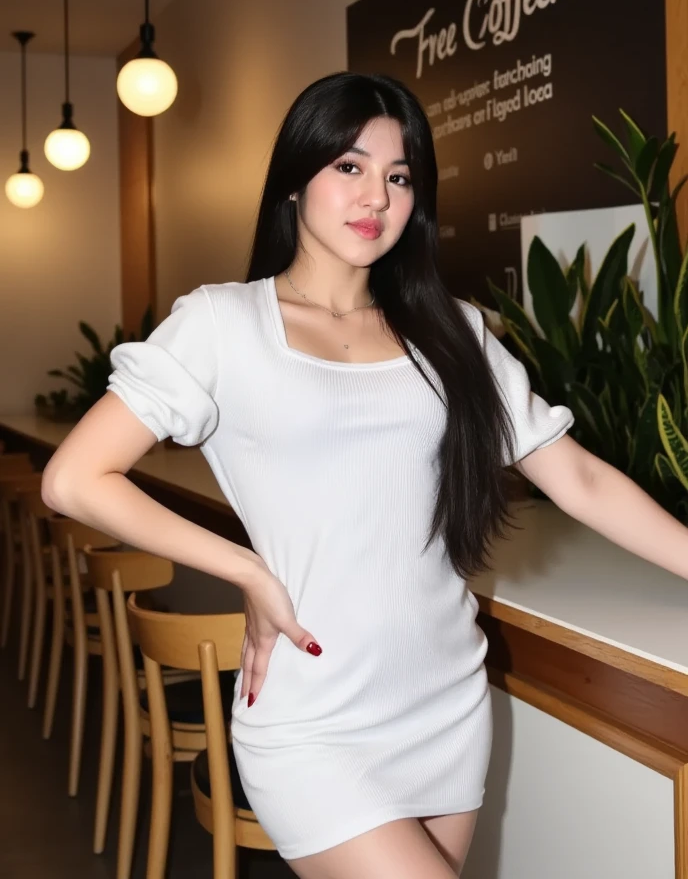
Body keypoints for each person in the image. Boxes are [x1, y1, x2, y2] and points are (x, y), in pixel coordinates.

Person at [42, 72, 688, 879]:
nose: (375, 196)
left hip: (444, 699)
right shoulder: (223, 324)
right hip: (314, 718)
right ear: (294, 181)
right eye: (349, 167)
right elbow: (74, 478)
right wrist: (245, 569)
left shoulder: (453, 331)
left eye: (399, 176)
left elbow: (580, 480)